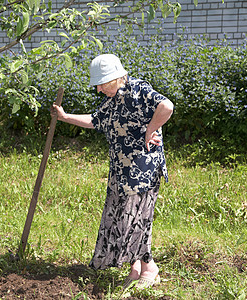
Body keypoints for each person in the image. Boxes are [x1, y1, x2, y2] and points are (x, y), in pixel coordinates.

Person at [51, 54, 174, 289]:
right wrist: (65, 117)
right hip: (121, 171)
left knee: (138, 219)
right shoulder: (114, 99)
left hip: (142, 170)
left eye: (101, 83)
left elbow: (166, 106)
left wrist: (151, 129)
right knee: (122, 219)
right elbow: (95, 120)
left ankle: (150, 268)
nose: (98, 89)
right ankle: (135, 267)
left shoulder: (138, 90)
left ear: (117, 77)